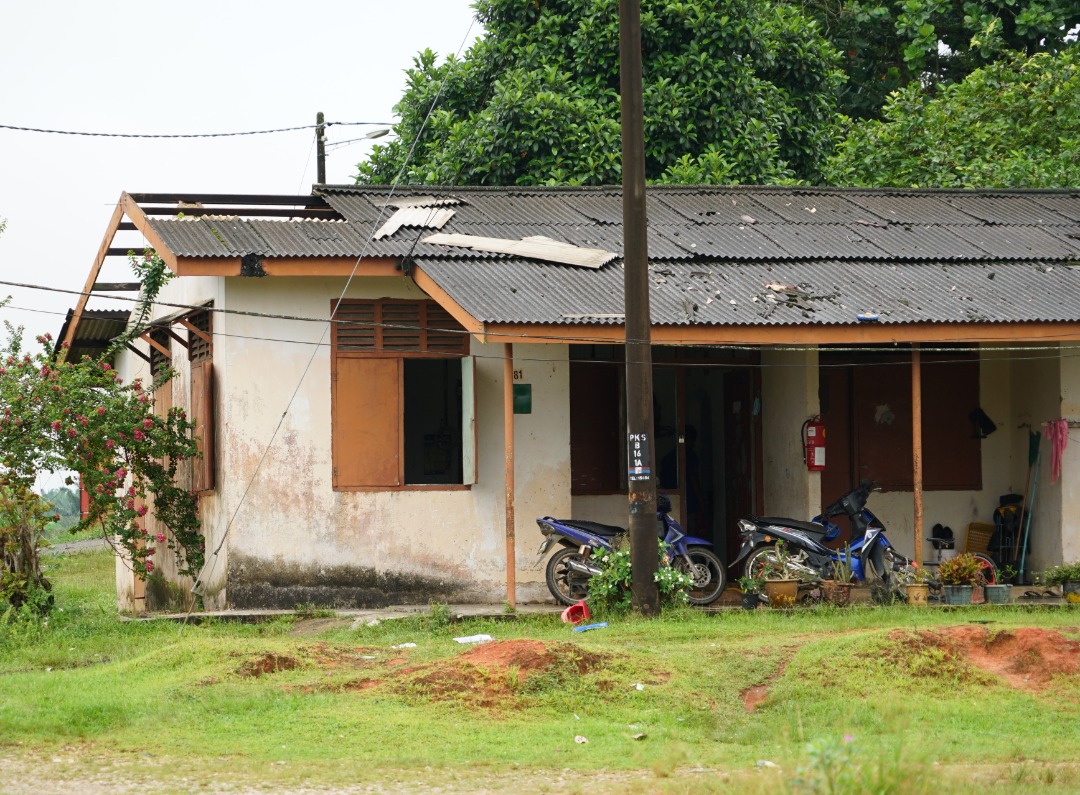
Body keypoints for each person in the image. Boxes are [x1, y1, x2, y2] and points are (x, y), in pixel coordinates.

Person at [660, 426, 703, 533]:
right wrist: (701, 500)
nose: (693, 444)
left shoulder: (667, 458)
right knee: (690, 532)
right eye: (693, 440)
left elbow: (663, 481)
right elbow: (694, 479)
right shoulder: (690, 456)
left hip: (670, 501)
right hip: (689, 502)